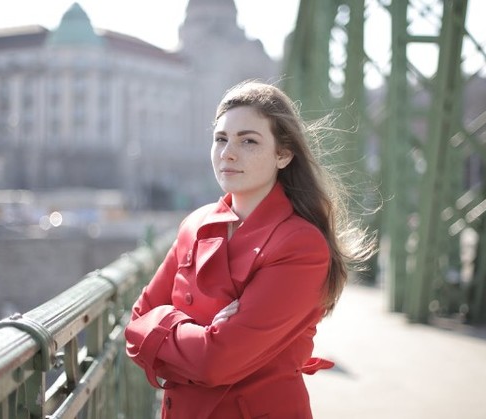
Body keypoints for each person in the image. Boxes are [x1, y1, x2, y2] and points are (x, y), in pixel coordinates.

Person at [125, 80, 374, 418]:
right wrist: (202, 332)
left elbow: (215, 362)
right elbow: (135, 324)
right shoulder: (195, 225)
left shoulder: (301, 245)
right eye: (221, 139)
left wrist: (162, 335)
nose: (228, 153)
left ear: (283, 154)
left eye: (248, 141)